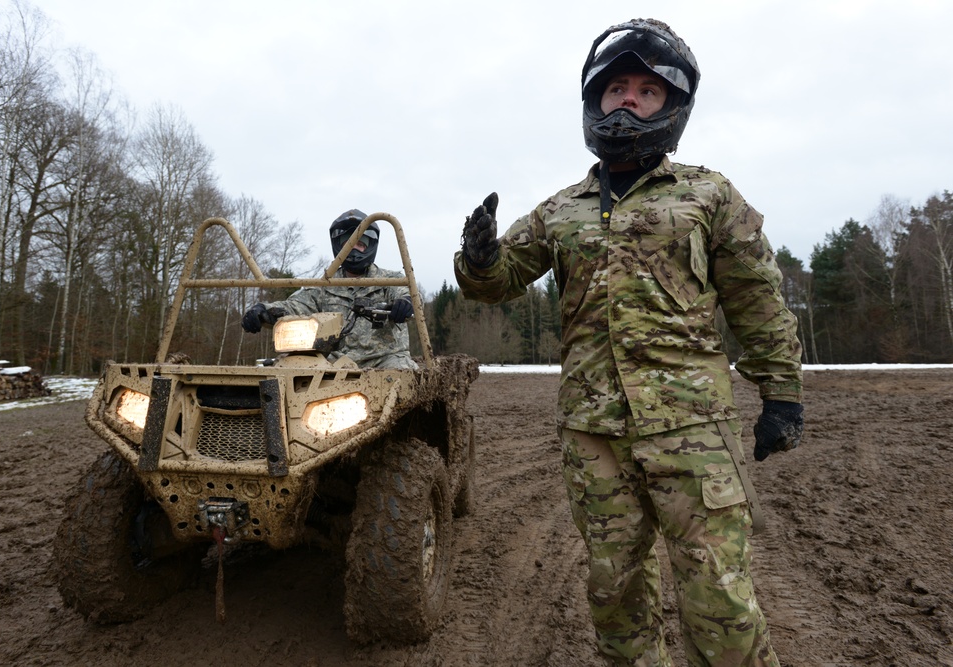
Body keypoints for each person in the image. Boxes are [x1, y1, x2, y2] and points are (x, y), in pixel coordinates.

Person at [454, 18, 803, 667]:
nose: (629, 100)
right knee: (614, 592)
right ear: (595, 98)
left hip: (693, 433)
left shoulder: (708, 194)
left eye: (647, 89)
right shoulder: (562, 208)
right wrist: (478, 257)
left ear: (672, 104)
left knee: (719, 600)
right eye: (617, 86)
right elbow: (499, 282)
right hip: (594, 436)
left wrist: (781, 392)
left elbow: (757, 298)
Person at [242, 208, 417, 370]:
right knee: (290, 372)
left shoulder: (390, 280)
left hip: (385, 360)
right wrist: (263, 310)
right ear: (338, 247)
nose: (354, 249)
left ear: (370, 246)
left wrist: (405, 303)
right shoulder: (324, 286)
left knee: (401, 379)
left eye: (360, 243)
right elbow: (295, 306)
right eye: (347, 244)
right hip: (337, 362)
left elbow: (408, 296)